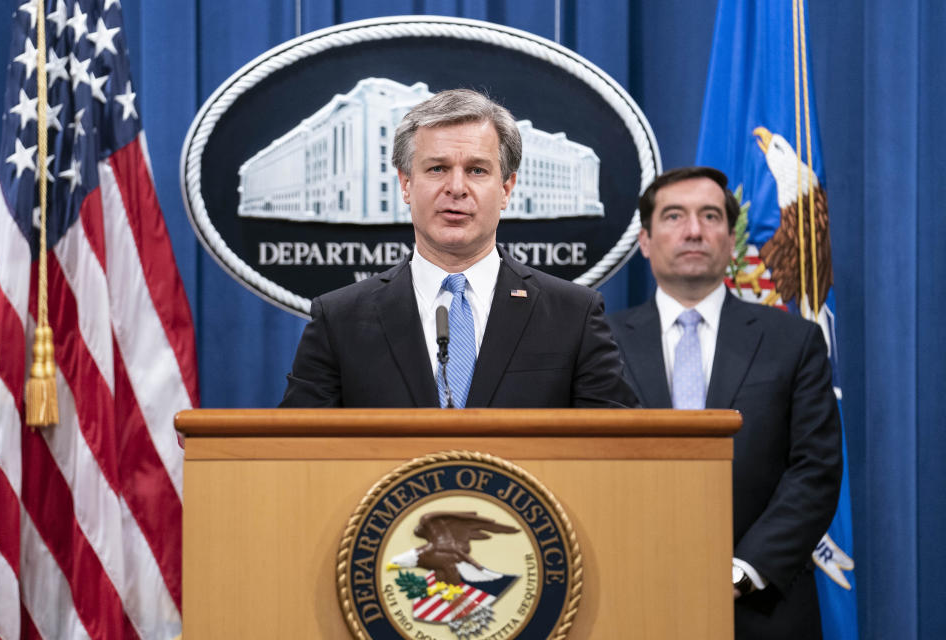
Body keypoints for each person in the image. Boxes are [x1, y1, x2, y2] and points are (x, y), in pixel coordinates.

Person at [280, 89, 637, 409]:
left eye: (477, 171)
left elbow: (617, 450)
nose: (456, 188)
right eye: (437, 168)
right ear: (406, 185)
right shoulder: (339, 319)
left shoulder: (572, 314)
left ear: (506, 189)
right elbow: (297, 453)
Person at [607, 167, 842, 639]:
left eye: (710, 216)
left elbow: (814, 470)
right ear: (646, 241)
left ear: (732, 241)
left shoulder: (794, 341)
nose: (693, 230)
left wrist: (741, 572)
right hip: (628, 598)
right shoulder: (597, 343)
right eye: (674, 216)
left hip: (765, 607)